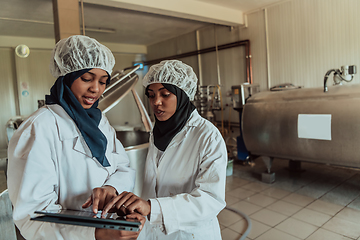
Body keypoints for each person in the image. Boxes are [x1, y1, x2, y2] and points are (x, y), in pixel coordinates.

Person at [7, 35, 145, 240]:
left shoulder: (99, 122)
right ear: (67, 77)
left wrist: (111, 188)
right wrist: (95, 233)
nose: (95, 89)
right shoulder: (39, 128)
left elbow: (123, 166)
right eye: (87, 79)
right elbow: (32, 216)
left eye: (103, 81)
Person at [102, 60, 227, 239]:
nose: (156, 102)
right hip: (152, 228)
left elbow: (210, 200)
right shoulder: (159, 130)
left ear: (182, 94)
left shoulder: (207, 136)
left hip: (189, 233)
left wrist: (153, 208)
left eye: (165, 94)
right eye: (151, 95)